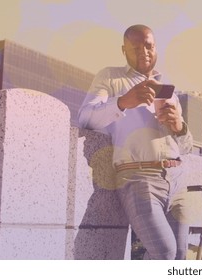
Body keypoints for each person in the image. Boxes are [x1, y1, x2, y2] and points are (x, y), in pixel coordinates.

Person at [78, 24, 193, 260]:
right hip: (138, 178)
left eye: (148, 46)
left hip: (178, 179)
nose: (144, 52)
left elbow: (186, 147)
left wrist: (179, 126)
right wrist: (123, 102)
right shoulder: (110, 77)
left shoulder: (169, 91)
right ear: (124, 50)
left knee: (180, 257)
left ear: (156, 47)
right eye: (135, 47)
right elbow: (85, 118)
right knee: (165, 253)